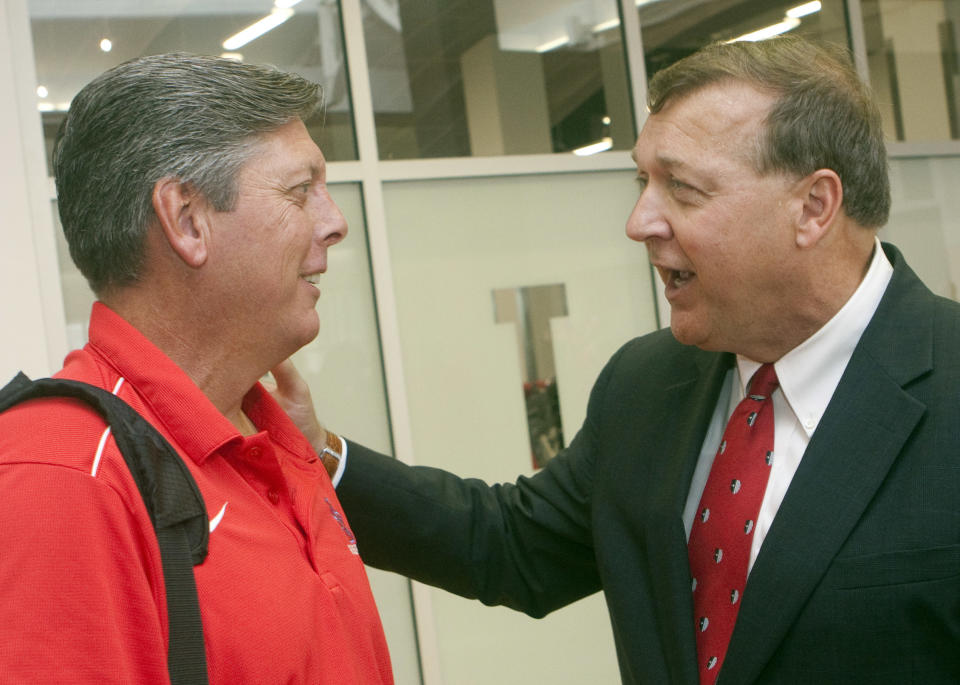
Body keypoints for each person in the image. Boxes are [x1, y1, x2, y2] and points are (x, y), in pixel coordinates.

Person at [276, 36, 960, 684]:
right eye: (642, 181)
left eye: (683, 189)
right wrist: (317, 451)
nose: (639, 221)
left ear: (813, 206)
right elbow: (512, 545)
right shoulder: (647, 383)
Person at [0, 54, 392, 684]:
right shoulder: (66, 476)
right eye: (300, 191)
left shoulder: (281, 441)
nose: (335, 222)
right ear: (186, 221)